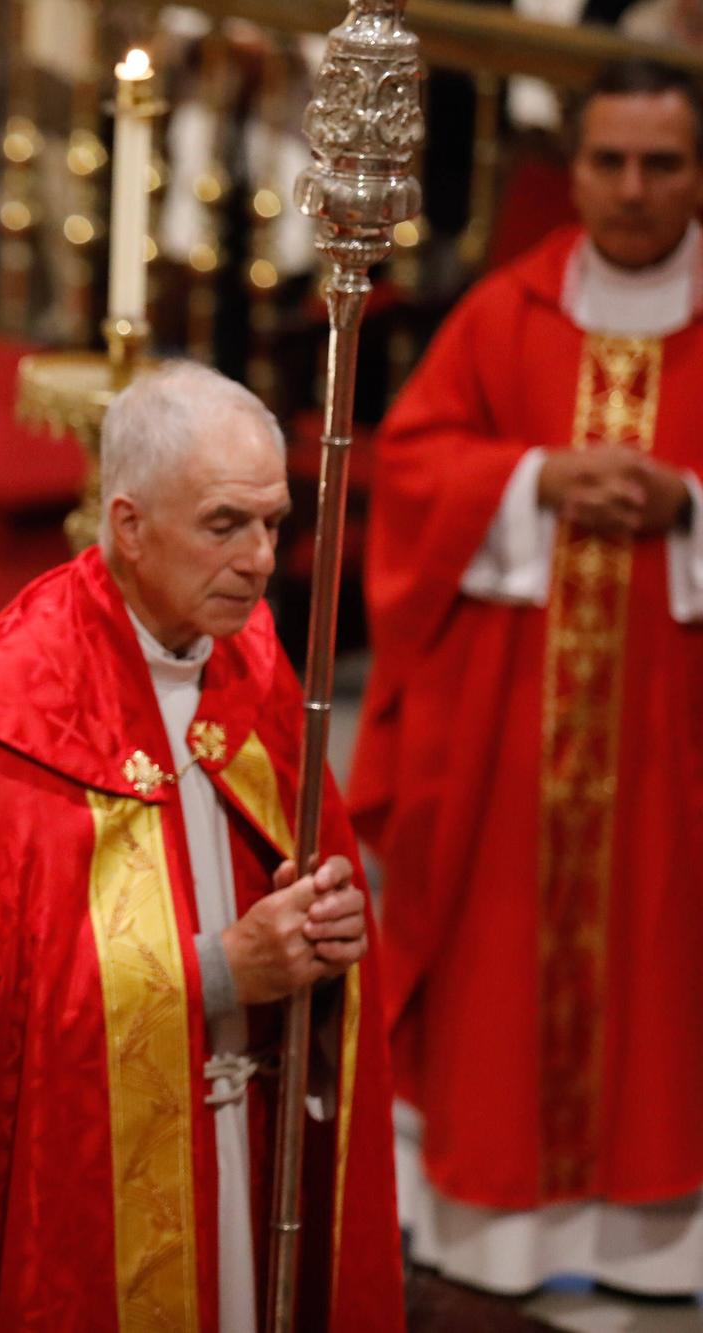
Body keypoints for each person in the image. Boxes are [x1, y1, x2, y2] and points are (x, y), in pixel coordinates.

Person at [0, 363, 404, 1332]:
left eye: (273, 523)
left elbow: (303, 883)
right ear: (128, 525)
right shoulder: (3, 726)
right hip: (71, 1213)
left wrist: (329, 928)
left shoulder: (255, 670)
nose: (262, 560)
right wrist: (223, 971)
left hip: (240, 1150)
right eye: (225, 525)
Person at [354, 58, 703, 1295]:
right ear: (575, 165)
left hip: (675, 745)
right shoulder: (507, 312)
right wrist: (532, 480)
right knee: (502, 970)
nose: (628, 189)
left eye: (659, 163)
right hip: (514, 742)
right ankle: (497, 1231)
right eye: (606, 161)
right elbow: (407, 467)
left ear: (696, 169)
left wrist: (687, 507)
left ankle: (665, 1245)